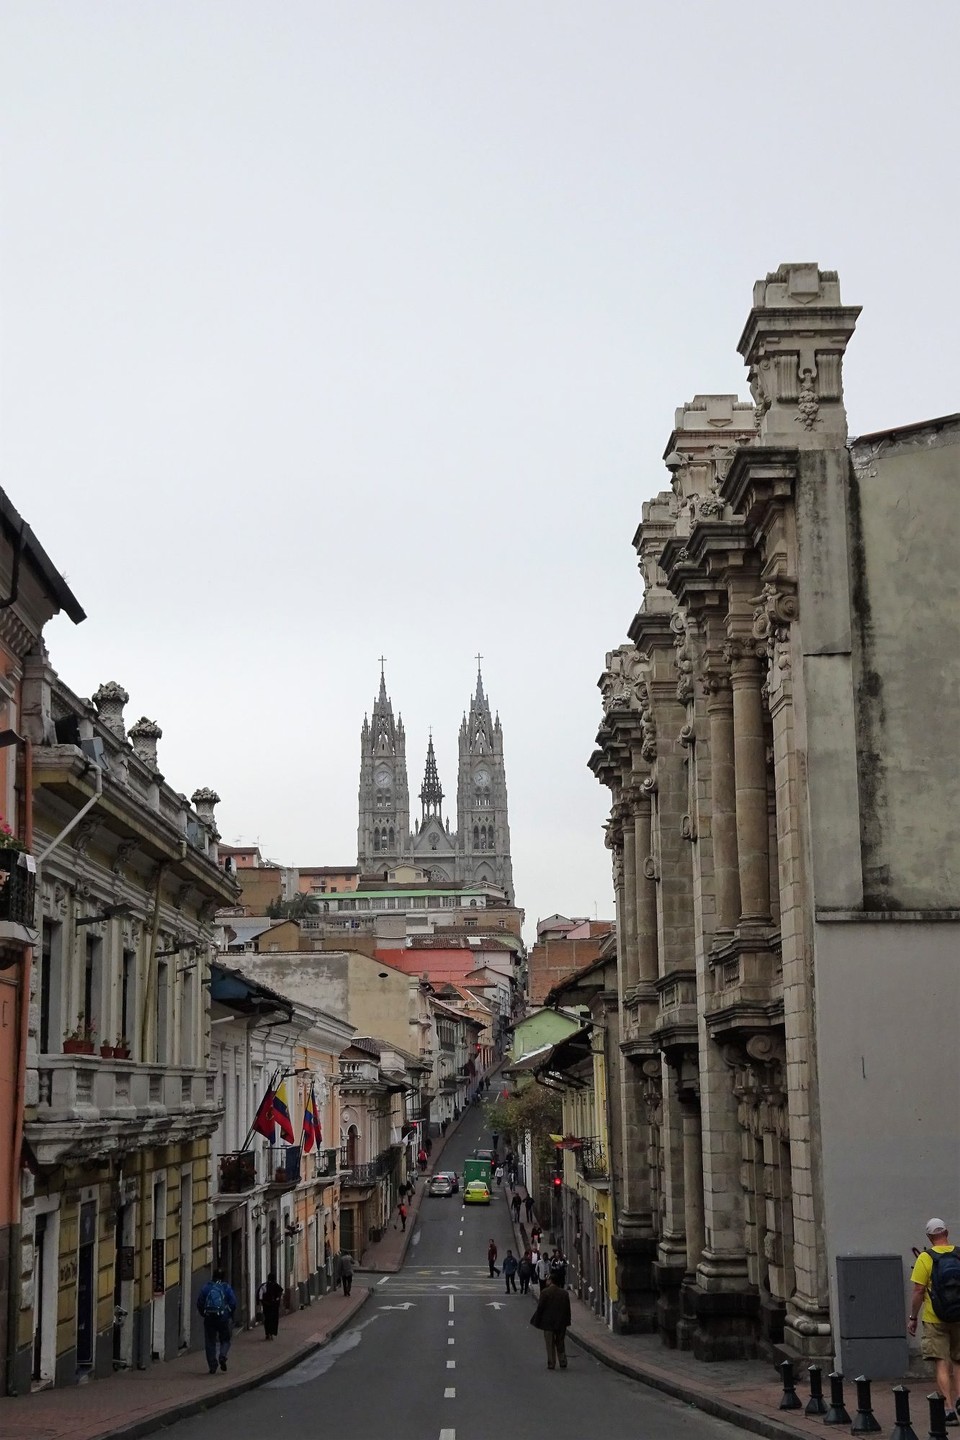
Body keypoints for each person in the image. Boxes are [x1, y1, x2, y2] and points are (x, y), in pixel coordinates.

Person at [909, 1219, 960, 1422]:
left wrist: (913, 1317)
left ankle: (949, 1409)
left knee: (941, 1362)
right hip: (959, 1317)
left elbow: (919, 1291)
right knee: (958, 1360)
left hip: (935, 1318)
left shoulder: (925, 1258)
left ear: (929, 1238)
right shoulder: (959, 1254)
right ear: (946, 1232)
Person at [197, 1268, 237, 1374]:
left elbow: (200, 1302)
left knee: (210, 1342)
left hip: (209, 1318)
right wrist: (228, 1313)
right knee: (225, 1339)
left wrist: (204, 1314)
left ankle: (212, 1366)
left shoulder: (206, 1287)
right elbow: (233, 1302)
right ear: (223, 1277)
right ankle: (223, 1355)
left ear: (213, 1276)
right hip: (223, 1318)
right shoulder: (226, 1287)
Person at [530, 1271, 572, 1370]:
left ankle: (551, 1362)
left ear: (551, 1281)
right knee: (560, 1342)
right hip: (561, 1322)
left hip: (548, 1322)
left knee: (550, 1343)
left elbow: (540, 1308)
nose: (546, 1281)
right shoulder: (564, 1293)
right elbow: (567, 1309)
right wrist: (567, 1321)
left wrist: (537, 1320)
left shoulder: (545, 1292)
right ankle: (562, 1361)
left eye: (548, 1279)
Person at [257, 1272, 283, 1341]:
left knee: (267, 1319)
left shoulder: (264, 1286)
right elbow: (280, 1292)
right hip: (274, 1306)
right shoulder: (276, 1285)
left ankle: (267, 1333)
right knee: (273, 1319)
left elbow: (260, 1296)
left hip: (266, 1306)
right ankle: (272, 1333)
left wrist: (262, 1303)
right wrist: (277, 1300)